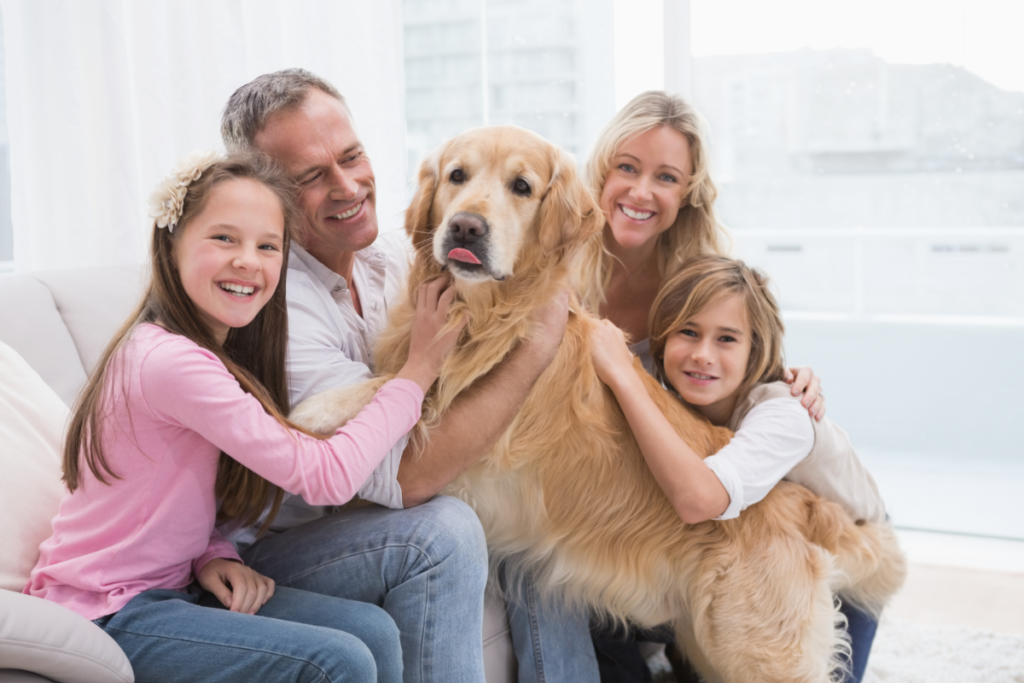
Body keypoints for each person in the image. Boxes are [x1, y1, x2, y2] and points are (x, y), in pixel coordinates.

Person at [25, 152, 466, 682]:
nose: (248, 262)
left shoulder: (213, 350)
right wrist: (416, 373)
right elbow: (325, 475)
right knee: (338, 660)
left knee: (371, 630)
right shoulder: (169, 362)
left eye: (267, 246)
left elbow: (172, 495)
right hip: (109, 611)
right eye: (224, 239)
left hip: (179, 585)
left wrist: (212, 553)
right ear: (172, 244)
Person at [219, 69, 585, 683]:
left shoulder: (396, 257)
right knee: (443, 529)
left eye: (352, 156)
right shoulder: (273, 304)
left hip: (367, 514)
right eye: (311, 176)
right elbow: (404, 478)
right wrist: (535, 347)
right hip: (280, 549)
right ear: (265, 194)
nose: (346, 186)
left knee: (539, 523)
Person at [576, 90, 826, 682]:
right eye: (627, 168)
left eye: (665, 177)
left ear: (687, 192)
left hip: (682, 484)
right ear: (602, 170)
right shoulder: (561, 259)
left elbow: (743, 365)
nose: (641, 193)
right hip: (600, 484)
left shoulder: (698, 272)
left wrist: (789, 380)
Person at [590, 255, 887, 683]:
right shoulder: (678, 392)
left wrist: (623, 375)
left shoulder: (786, 415)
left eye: (726, 339)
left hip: (845, 560)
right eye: (688, 332)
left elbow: (699, 500)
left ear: (755, 351)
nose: (702, 355)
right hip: (743, 544)